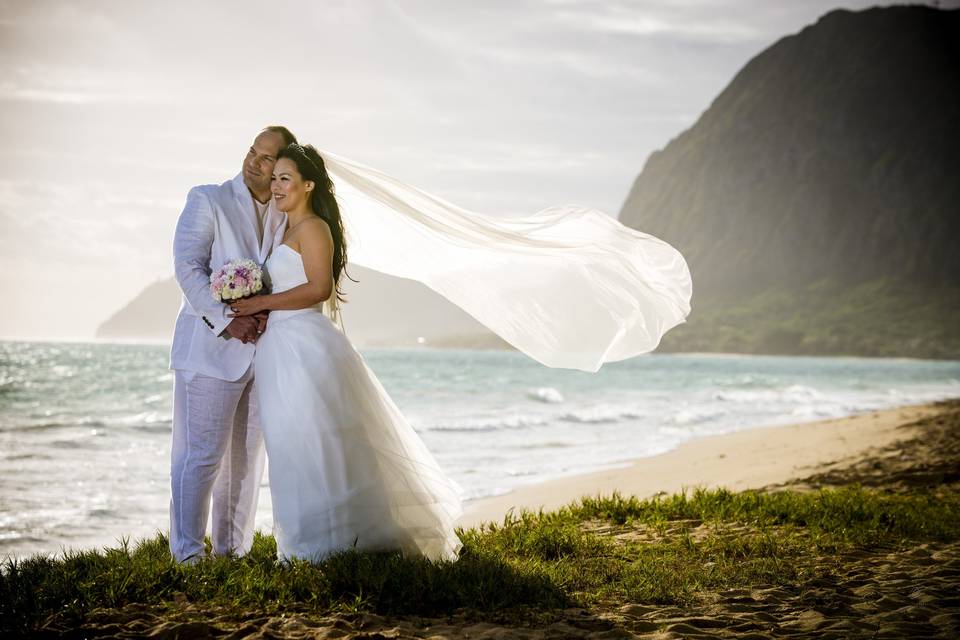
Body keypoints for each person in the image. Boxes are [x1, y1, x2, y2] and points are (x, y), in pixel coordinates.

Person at [228, 143, 464, 561]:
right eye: (275, 177)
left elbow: (319, 289)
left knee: (320, 441)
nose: (276, 185)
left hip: (305, 346)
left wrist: (260, 304)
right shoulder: (281, 230)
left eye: (285, 178)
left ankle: (337, 542)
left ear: (308, 185)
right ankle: (302, 545)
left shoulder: (314, 228)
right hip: (277, 349)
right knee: (290, 443)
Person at [168, 125, 297, 563]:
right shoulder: (208, 199)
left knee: (244, 463)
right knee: (202, 457)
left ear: (281, 167)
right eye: (252, 152)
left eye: (265, 159)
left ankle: (231, 551)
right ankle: (187, 554)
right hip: (210, 348)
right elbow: (187, 267)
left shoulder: (287, 212)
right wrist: (226, 321)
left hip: (263, 353)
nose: (252, 162)